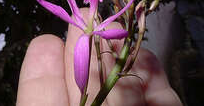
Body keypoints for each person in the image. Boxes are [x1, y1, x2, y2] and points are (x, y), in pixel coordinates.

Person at [16, 8, 182, 106]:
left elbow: (124, 33)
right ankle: (82, 94)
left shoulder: (92, 36)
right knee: (82, 87)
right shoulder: (85, 38)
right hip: (90, 38)